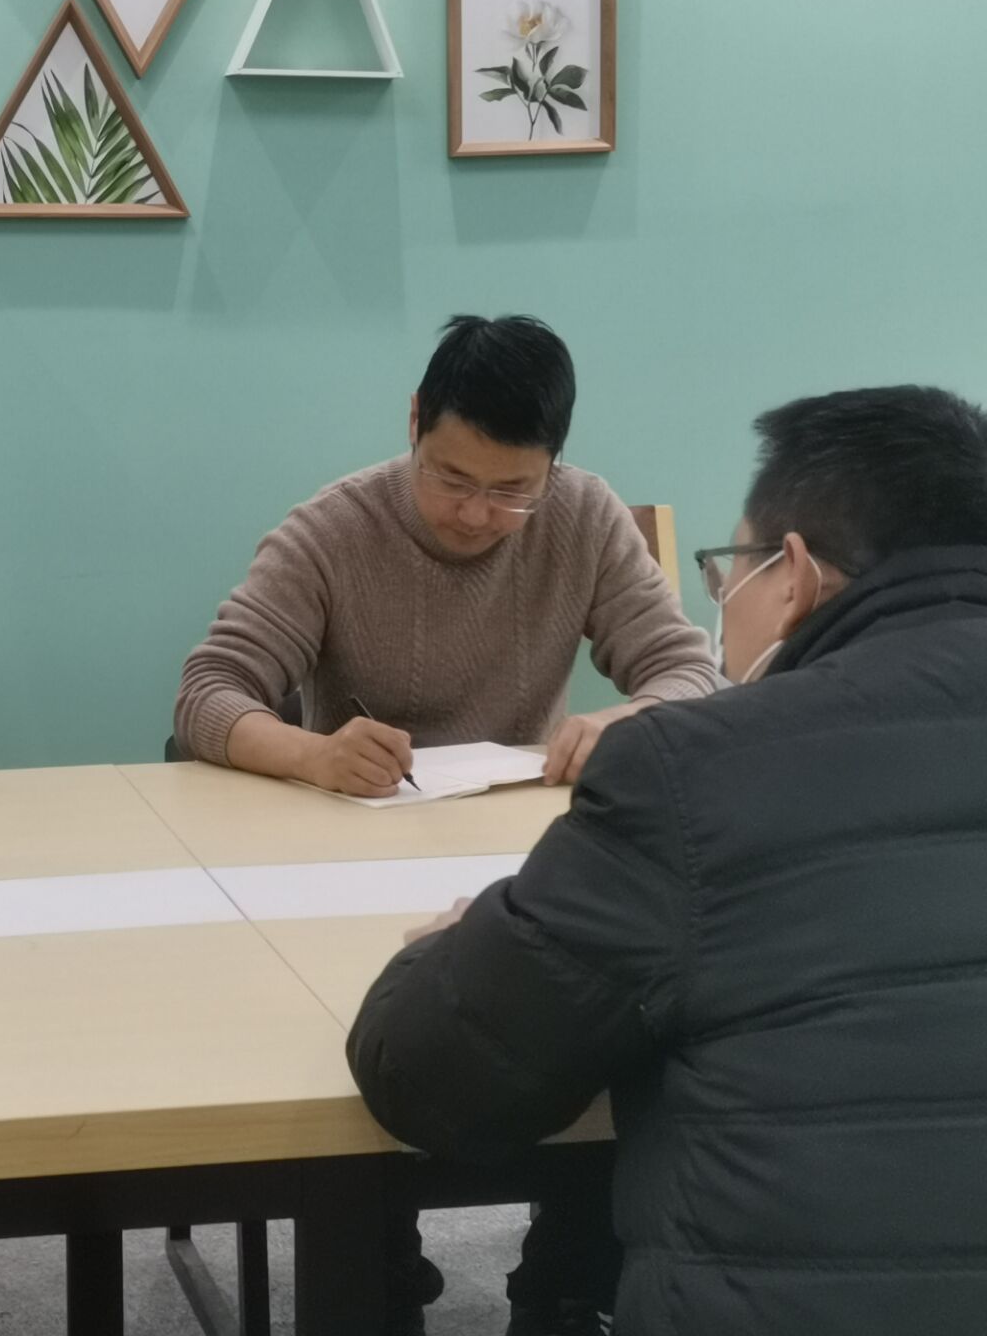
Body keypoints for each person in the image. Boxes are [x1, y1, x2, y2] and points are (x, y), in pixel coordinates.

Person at [349, 385, 987, 1336]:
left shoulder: (693, 772)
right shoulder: (342, 521)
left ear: (794, 575)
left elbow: (430, 1078)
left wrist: (467, 937)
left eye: (731, 570)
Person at [174, 315, 718, 1334]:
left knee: (623, 1031)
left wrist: (630, 720)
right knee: (369, 1046)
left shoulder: (583, 517)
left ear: (553, 467)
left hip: (518, 866)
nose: (476, 514)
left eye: (512, 490)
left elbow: (691, 672)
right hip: (353, 867)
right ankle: (381, 1267)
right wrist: (312, 752)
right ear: (415, 422)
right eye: (453, 479)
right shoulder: (334, 528)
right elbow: (210, 692)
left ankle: (563, 1282)